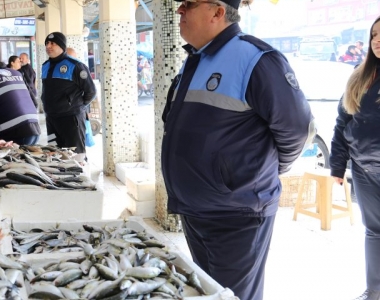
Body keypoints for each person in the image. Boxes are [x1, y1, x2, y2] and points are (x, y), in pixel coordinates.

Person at [161, 1, 314, 300]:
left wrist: (263, 171)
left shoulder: (255, 58)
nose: (180, 10)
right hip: (196, 210)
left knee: (234, 296)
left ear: (218, 12)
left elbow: (298, 128)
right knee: (208, 292)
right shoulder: (196, 60)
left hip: (236, 214)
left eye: (189, 4)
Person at [330, 17, 380, 300]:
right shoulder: (359, 76)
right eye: (374, 34)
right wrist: (337, 164)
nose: (377, 40)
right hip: (363, 169)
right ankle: (373, 290)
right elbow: (342, 122)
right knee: (374, 231)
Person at [41, 32, 96, 161]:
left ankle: (80, 179)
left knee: (76, 156)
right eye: (47, 43)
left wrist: (75, 106)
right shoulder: (45, 65)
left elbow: (91, 91)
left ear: (61, 45)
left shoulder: (75, 65)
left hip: (71, 119)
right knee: (55, 153)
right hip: (51, 119)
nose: (48, 46)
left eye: (52, 43)